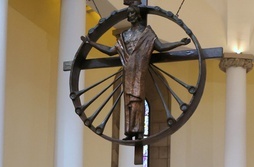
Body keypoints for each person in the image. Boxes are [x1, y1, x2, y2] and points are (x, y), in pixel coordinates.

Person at [81, 4, 191, 140]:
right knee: (128, 102)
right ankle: (129, 132)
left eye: (132, 13)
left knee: (137, 101)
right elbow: (110, 51)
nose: (130, 16)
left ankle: (138, 131)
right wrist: (92, 43)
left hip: (139, 72)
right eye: (129, 14)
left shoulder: (147, 34)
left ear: (138, 15)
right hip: (128, 72)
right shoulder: (124, 35)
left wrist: (179, 43)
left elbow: (161, 47)